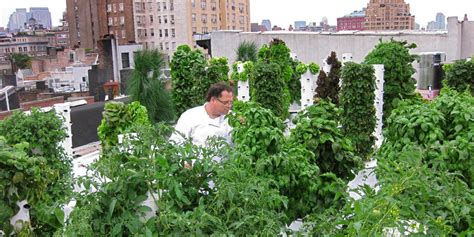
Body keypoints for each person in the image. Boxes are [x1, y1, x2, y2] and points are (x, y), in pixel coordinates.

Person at [170, 82, 233, 147]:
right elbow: (176, 142)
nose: (229, 106)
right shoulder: (190, 116)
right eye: (225, 102)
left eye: (230, 102)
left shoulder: (233, 117)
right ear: (213, 100)